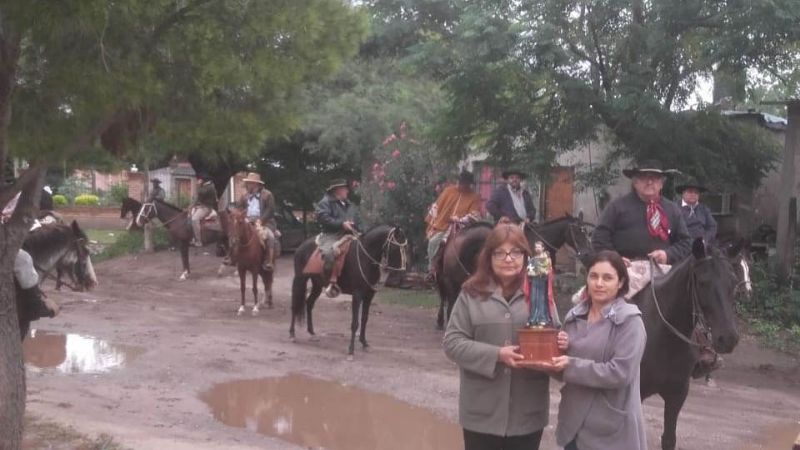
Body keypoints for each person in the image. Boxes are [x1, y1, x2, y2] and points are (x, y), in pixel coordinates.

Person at [443, 224, 550, 450]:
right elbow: (452, 342)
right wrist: (497, 355)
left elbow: (553, 335)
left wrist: (560, 343)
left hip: (527, 414)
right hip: (481, 414)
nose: (508, 259)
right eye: (499, 253)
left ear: (526, 256)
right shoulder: (471, 293)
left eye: (516, 252)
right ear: (488, 257)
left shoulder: (539, 290)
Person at [548, 250, 647, 450]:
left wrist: (570, 364)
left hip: (609, 430)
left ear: (620, 282)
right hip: (573, 425)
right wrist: (550, 356)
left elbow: (620, 373)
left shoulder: (630, 322)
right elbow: (563, 370)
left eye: (607, 278)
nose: (599, 283)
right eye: (593, 276)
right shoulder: (574, 316)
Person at [592, 159, 692, 266]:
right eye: (644, 177)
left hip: (663, 270)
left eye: (654, 178)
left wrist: (668, 255)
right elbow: (599, 238)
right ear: (635, 182)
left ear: (661, 184)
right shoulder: (616, 207)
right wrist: (615, 259)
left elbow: (686, 243)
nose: (649, 182)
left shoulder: (672, 209)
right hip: (625, 269)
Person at [426, 170, 482, 280]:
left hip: (463, 228)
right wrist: (434, 223)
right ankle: (431, 269)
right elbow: (437, 207)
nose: (462, 185)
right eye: (461, 182)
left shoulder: (474, 197)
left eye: (465, 183)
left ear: (469, 184)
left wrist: (460, 219)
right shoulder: (448, 191)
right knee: (433, 242)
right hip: (444, 225)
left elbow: (474, 214)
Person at [314, 179, 361, 297]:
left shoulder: (348, 204)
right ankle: (329, 282)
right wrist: (341, 224)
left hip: (348, 234)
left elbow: (356, 219)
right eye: (345, 189)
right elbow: (323, 218)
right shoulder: (325, 202)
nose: (347, 191)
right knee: (329, 253)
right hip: (331, 235)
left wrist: (355, 225)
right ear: (337, 190)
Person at [237, 172, 278, 271]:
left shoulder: (267, 195)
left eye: (250, 183)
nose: (248, 185)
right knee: (236, 234)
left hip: (264, 222)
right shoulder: (244, 196)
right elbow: (240, 208)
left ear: (256, 184)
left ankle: (269, 261)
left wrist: (261, 220)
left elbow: (270, 210)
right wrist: (242, 216)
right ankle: (233, 258)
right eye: (248, 183)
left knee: (270, 237)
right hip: (247, 221)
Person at [676, 177, 717, 245]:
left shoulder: (704, 209)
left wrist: (705, 239)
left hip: (703, 245)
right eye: (690, 192)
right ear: (683, 193)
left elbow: (712, 227)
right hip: (683, 245)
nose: (693, 194)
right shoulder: (675, 208)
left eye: (696, 192)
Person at [526, 241, 554, 327]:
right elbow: (529, 271)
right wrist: (531, 272)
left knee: (541, 300)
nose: (537, 249)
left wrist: (545, 272)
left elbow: (549, 271)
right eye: (536, 247)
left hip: (542, 282)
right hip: (534, 282)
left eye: (539, 247)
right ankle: (533, 318)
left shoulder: (547, 259)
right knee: (533, 299)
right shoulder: (532, 259)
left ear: (543, 248)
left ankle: (542, 318)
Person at [190, 173, 218, 247]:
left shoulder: (209, 187)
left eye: (200, 179)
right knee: (189, 217)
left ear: (204, 180)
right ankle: (193, 238)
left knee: (194, 219)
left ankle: (199, 241)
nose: (198, 180)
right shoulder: (206, 186)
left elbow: (200, 194)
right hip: (201, 206)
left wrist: (198, 185)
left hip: (206, 208)